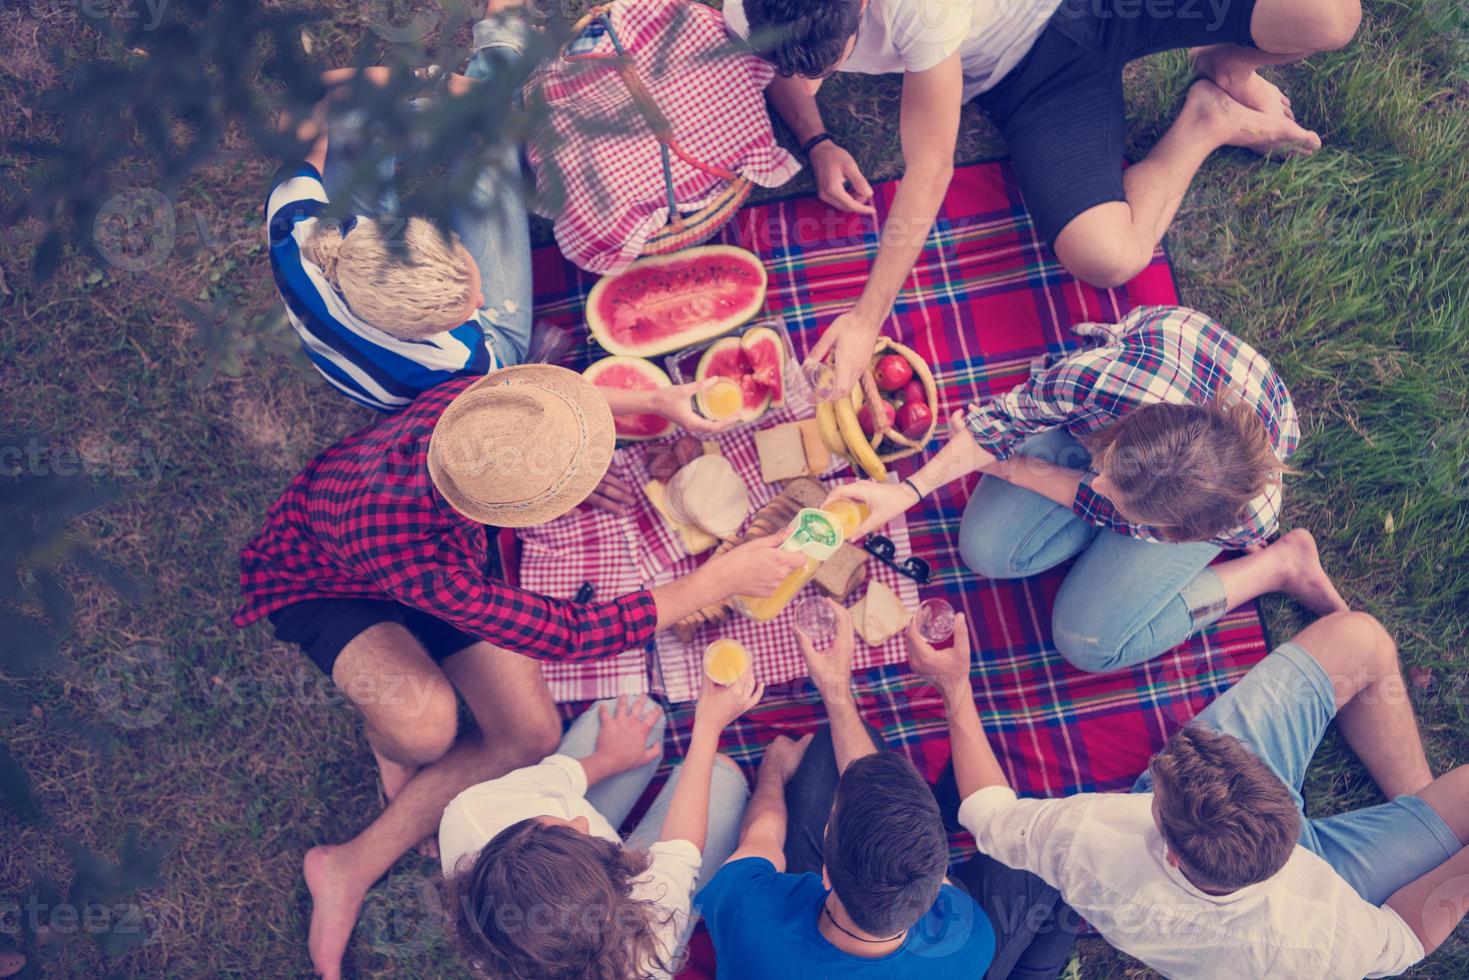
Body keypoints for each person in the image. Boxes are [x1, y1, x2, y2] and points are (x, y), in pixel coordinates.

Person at [232, 365, 805, 980]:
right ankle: (374, 793)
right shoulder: (434, 569)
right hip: (324, 584)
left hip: (417, 565)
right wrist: (716, 582)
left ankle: (386, 783)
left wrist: (657, 400)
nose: (581, 817)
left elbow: (554, 396)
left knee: (531, 736)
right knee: (427, 727)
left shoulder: (471, 414)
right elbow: (573, 633)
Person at [723, 0, 1358, 394]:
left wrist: (865, 319)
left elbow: (931, 167)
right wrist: (817, 139)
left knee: (1329, 16)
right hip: (1032, 78)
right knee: (1108, 257)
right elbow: (784, 71)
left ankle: (1227, 61)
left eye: (833, 65)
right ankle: (1206, 119)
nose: (817, 81)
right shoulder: (743, 12)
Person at [907, 607, 1469, 977]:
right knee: (1362, 640)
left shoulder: (1089, 835)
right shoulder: (1324, 943)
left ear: (1171, 848)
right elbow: (1405, 936)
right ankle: (1423, 815)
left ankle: (1422, 815)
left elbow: (985, 812)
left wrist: (955, 687)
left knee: (1358, 638)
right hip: (1337, 891)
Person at [833, 305, 1347, 673]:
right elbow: (1000, 425)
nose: (1096, 480)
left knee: (1088, 645)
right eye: (1107, 468)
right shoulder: (1097, 381)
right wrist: (909, 492)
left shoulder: (1249, 515)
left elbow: (1097, 495)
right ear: (1125, 429)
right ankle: (1110, 520)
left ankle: (1278, 565)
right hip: (1123, 412)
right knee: (985, 549)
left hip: (1173, 504)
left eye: (1111, 492)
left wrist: (1014, 469)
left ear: (1177, 530)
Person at [694, 600, 1076, 977]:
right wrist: (838, 696)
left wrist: (774, 769)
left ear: (826, 875)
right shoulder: (966, 938)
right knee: (1050, 845)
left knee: (830, 747)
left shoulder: (746, 913)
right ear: (938, 890)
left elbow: (762, 835)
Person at [441, 677, 759, 980]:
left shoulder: (474, 813)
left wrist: (609, 758)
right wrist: (707, 725)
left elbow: (554, 779)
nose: (581, 821)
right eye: (576, 832)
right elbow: (682, 849)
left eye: (555, 826)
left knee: (638, 711)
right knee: (723, 778)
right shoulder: (644, 942)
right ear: (619, 891)